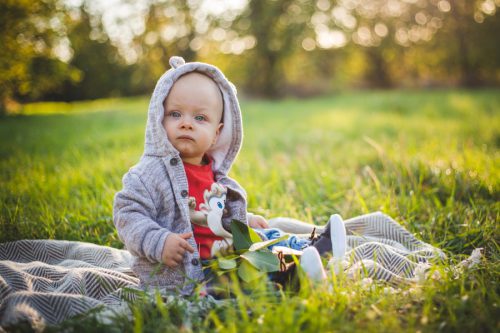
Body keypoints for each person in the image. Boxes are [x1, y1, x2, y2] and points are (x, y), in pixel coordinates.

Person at [113, 56, 339, 295]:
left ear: (216, 133)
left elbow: (215, 213)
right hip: (193, 274)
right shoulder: (148, 174)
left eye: (199, 118)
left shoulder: (212, 171)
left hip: (226, 250)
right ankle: (294, 274)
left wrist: (243, 219)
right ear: (158, 118)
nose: (186, 124)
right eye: (175, 114)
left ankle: (315, 249)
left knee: (265, 237)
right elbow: (127, 214)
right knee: (245, 274)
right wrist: (158, 242)